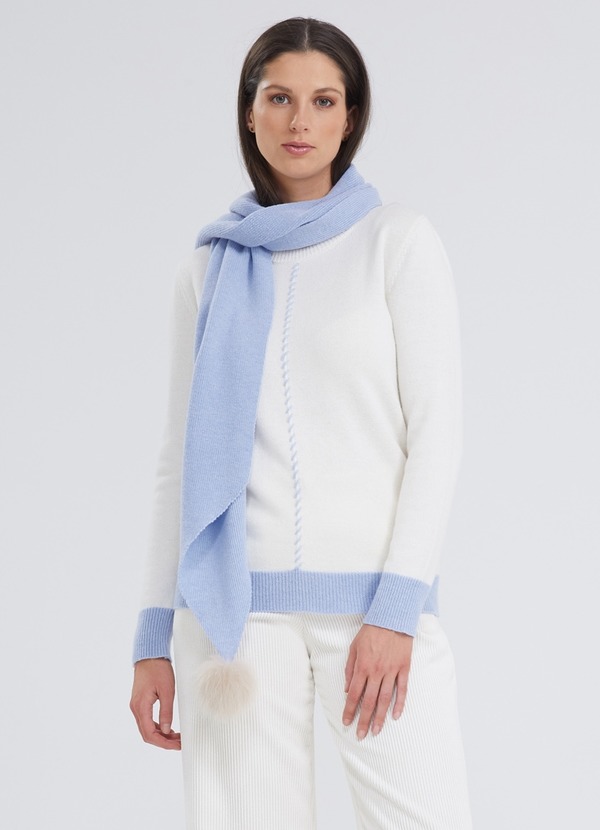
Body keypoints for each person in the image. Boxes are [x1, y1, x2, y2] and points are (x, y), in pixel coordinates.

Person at [129, 16, 473, 830]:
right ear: (249, 111)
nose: (299, 121)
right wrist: (153, 634)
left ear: (350, 119)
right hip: (233, 617)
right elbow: (178, 460)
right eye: (279, 97)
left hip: (375, 608)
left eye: (324, 101)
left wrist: (397, 609)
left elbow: (437, 437)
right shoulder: (207, 269)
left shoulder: (397, 243)